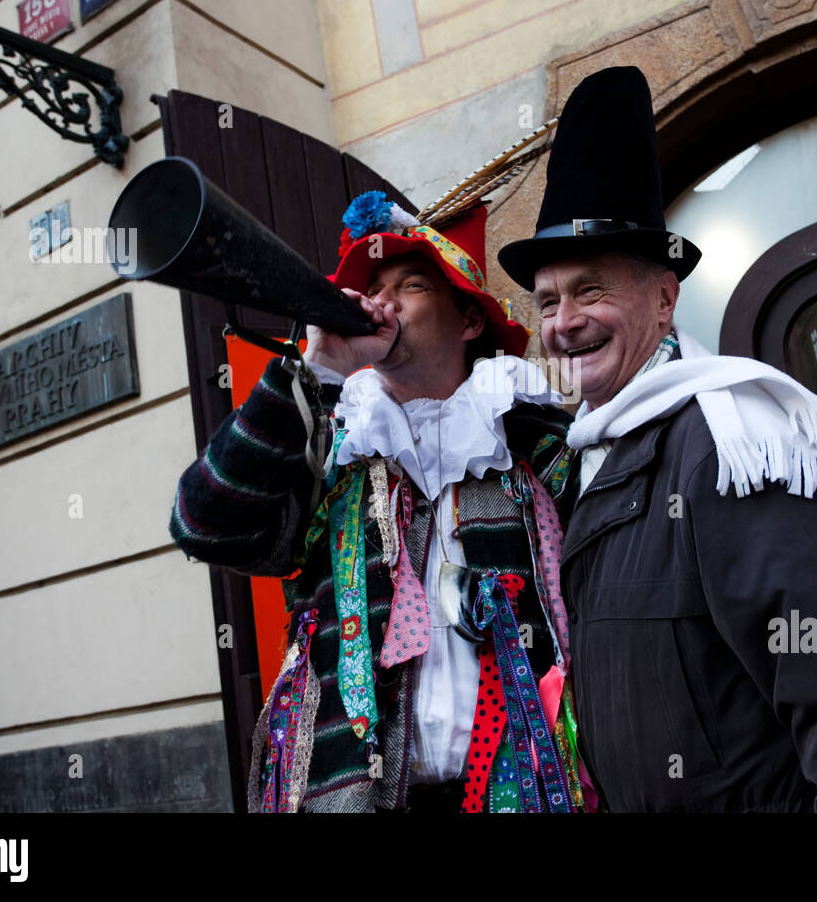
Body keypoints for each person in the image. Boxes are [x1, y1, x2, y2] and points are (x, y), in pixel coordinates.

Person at [497, 65, 817, 811]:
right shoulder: (592, 452)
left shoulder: (732, 445)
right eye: (547, 301)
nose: (562, 322)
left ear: (665, 298)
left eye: (591, 290)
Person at [169, 195, 585, 812]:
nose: (380, 303)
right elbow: (203, 525)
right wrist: (312, 372)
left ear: (470, 320)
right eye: (370, 288)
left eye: (410, 285)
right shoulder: (332, 453)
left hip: (527, 793)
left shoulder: (535, 442)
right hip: (358, 798)